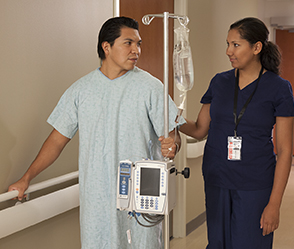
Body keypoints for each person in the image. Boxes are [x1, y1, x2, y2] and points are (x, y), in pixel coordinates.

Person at [8, 16, 185, 249]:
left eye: (138, 44)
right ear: (107, 47)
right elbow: (56, 141)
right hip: (97, 200)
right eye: (128, 43)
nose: (136, 50)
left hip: (140, 198)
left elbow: (174, 137)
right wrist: (26, 178)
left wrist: (172, 144)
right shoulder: (81, 91)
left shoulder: (151, 87)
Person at [180, 17, 294, 248]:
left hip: (255, 182)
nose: (228, 51)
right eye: (227, 44)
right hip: (217, 178)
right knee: (218, 243)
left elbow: (284, 151)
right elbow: (200, 129)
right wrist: (170, 116)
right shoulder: (220, 82)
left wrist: (274, 204)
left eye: (236, 45)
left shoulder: (279, 88)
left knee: (249, 243)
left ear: (256, 48)